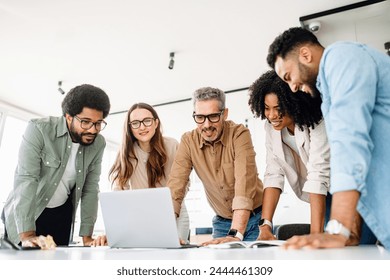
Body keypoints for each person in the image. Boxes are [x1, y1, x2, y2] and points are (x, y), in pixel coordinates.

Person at [267, 26, 389, 249]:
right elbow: (362, 159)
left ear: (305, 54)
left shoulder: (341, 58)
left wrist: (338, 229)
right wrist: (351, 232)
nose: (292, 87)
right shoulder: (329, 96)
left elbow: (350, 142)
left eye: (288, 76)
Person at [1, 84, 111, 248]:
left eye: (98, 123)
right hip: (28, 212)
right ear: (68, 117)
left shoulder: (99, 144)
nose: (93, 130)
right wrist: (27, 235)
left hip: (61, 214)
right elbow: (26, 179)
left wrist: (87, 237)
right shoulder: (39, 129)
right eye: (86, 122)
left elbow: (90, 188)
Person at [167, 87, 264, 245]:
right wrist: (167, 231)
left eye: (213, 117)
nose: (206, 125)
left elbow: (244, 184)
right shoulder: (188, 141)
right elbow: (176, 186)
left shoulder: (239, 134)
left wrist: (235, 234)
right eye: (200, 117)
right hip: (222, 222)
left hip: (255, 219)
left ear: (224, 114)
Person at [91, 103, 190, 246]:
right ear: (130, 128)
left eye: (147, 121)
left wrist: (171, 212)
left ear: (156, 123)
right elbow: (119, 195)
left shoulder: (172, 145)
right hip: (141, 218)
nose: (142, 127)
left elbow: (183, 182)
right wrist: (113, 231)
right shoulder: (125, 153)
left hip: (174, 215)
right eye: (135, 123)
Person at [248, 70, 330, 240]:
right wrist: (265, 226)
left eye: (279, 108)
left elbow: (318, 173)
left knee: (358, 246)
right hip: (323, 197)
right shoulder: (271, 128)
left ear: (294, 102)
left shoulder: (316, 120)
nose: (272, 116)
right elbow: (273, 173)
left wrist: (315, 236)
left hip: (346, 189)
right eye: (267, 108)